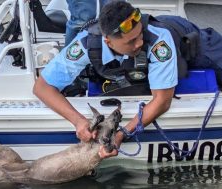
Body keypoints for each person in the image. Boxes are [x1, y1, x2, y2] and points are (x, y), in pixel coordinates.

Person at [33, 0, 222, 158]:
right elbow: (42, 87)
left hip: (187, 38)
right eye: (131, 41)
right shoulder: (85, 43)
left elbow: (162, 101)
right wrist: (78, 121)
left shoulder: (159, 40)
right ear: (108, 42)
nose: (139, 43)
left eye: (139, 35)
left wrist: (122, 134)